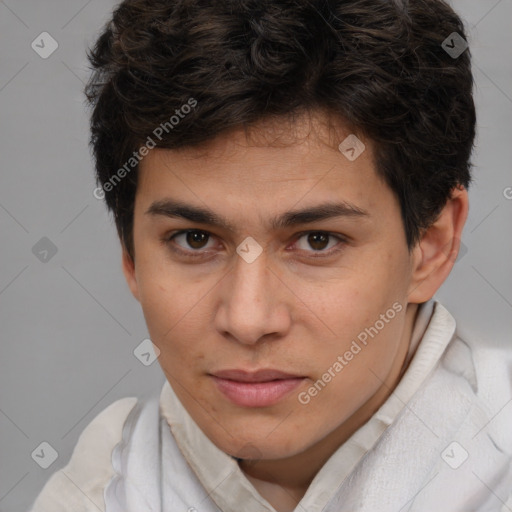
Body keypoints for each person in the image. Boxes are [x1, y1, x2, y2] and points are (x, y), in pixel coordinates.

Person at [29, 0, 512, 511]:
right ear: (130, 254)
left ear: (431, 248)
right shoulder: (101, 489)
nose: (248, 319)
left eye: (317, 241)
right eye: (194, 239)